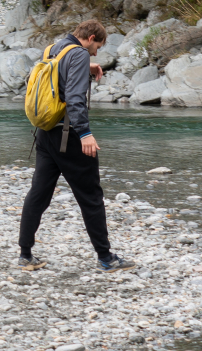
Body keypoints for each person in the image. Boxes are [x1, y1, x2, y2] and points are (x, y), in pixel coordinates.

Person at [18, 18, 129, 272]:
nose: (96, 52)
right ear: (91, 38)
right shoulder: (78, 54)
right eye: (97, 46)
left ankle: (25, 254)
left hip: (44, 133)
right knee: (91, 196)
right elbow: (75, 99)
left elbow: (57, 77)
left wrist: (87, 67)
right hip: (68, 137)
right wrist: (86, 134)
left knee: (38, 194)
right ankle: (106, 258)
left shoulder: (54, 48)